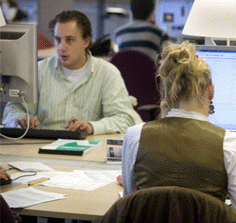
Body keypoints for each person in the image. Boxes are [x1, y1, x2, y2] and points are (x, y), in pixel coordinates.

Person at [121, 41, 236, 223]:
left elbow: (130, 205)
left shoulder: (135, 136)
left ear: (166, 96)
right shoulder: (230, 144)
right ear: (211, 91)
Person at [2, 10, 143, 135]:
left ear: (86, 41)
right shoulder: (40, 70)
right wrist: (21, 120)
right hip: (42, 146)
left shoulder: (107, 73)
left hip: (87, 149)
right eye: (57, 40)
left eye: (69, 40)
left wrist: (91, 127)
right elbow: (12, 110)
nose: (61, 47)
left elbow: (124, 119)